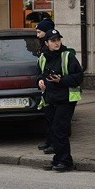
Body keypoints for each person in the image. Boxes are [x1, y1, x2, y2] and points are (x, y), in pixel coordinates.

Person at [36, 29, 83, 172]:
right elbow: (39, 74)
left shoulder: (68, 56)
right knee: (54, 130)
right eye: (53, 41)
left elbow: (79, 77)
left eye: (58, 40)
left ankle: (66, 161)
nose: (56, 43)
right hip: (50, 98)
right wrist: (40, 82)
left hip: (66, 98)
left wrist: (61, 79)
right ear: (47, 43)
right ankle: (58, 159)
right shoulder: (43, 58)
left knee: (60, 129)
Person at [34, 18, 55, 154]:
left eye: (39, 32)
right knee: (48, 117)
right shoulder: (42, 48)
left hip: (53, 89)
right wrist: (40, 79)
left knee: (53, 119)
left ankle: (53, 144)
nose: (37, 35)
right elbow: (41, 68)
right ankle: (49, 141)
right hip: (45, 87)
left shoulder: (51, 49)